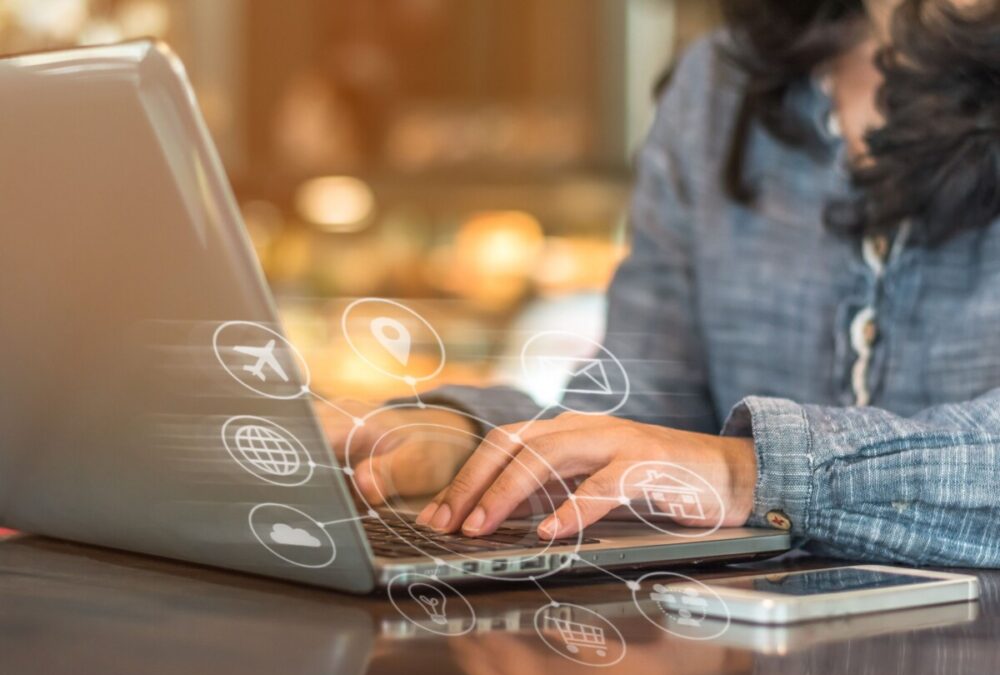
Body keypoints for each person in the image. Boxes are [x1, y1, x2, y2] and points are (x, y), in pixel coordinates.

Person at [320, 0, 1000, 566]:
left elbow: (711, 465)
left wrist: (746, 472)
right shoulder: (719, 86)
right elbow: (651, 418)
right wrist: (481, 450)